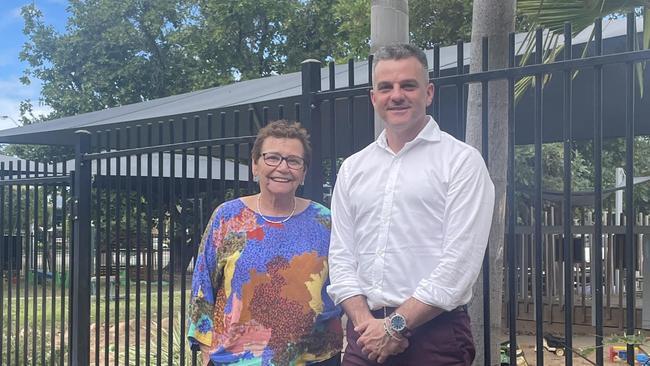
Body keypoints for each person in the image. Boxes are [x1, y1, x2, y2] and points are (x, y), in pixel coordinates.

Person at [327, 44, 495, 365]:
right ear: (373, 97)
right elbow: (341, 257)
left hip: (435, 336)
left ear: (428, 92)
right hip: (366, 335)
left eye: (408, 85)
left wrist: (394, 326)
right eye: (386, 87)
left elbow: (458, 265)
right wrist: (368, 326)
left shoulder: (461, 162)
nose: (396, 95)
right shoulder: (353, 168)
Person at [188, 120, 343, 366]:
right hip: (237, 358)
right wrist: (206, 348)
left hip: (313, 358)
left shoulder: (325, 220)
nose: (282, 167)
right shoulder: (228, 217)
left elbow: (343, 281)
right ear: (255, 165)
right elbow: (203, 282)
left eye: (294, 161)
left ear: (303, 173)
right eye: (272, 158)